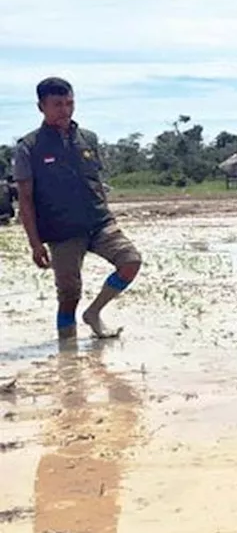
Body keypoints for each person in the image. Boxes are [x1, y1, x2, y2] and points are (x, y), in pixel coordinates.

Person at [13, 77, 143, 340]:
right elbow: (25, 199)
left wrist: (107, 214)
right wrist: (35, 244)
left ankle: (94, 313)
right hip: (61, 230)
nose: (65, 110)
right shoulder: (28, 147)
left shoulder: (87, 139)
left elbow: (95, 181)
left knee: (131, 261)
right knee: (69, 294)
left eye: (70, 103)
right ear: (42, 107)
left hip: (98, 222)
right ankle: (67, 356)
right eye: (57, 104)